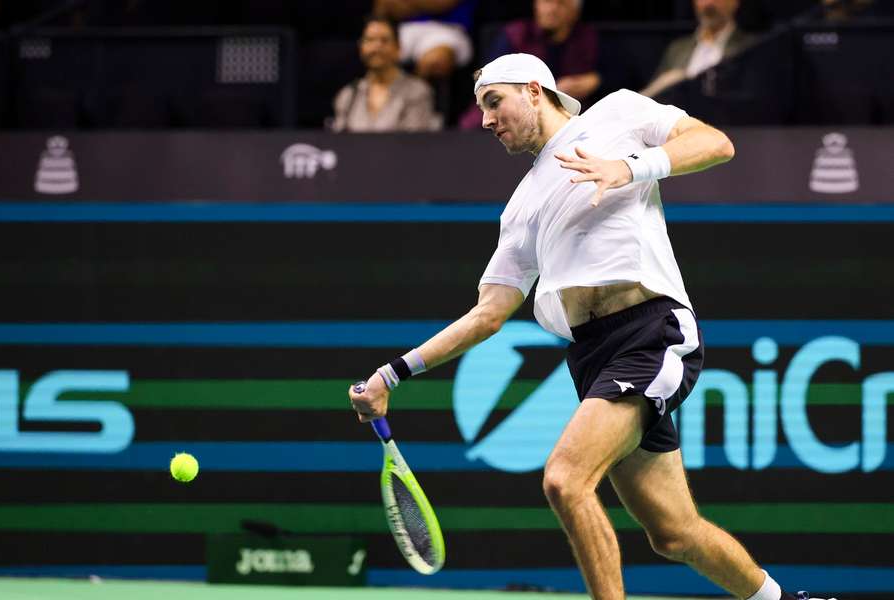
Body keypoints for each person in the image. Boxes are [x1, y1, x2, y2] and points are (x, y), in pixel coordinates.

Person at [349, 53, 836, 600]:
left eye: (494, 102)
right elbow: (489, 313)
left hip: (652, 330)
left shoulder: (618, 114)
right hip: (592, 354)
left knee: (565, 479)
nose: (485, 120)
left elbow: (716, 144)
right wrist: (392, 374)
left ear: (535, 91)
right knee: (674, 534)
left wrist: (631, 166)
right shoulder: (520, 207)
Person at [459, 0, 599, 129]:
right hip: (511, 111)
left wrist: (595, 81)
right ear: (536, 5)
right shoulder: (515, 35)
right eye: (546, 1)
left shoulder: (588, 38)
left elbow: (612, 75)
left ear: (575, 11)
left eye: (561, 3)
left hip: (568, 117)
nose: (552, 9)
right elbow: (486, 80)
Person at [330, 16, 441, 132]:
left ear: (398, 48)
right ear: (361, 48)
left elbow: (416, 142)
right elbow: (340, 142)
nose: (377, 47)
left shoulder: (417, 91)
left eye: (384, 40)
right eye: (370, 40)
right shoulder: (348, 95)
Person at [641, 0, 756, 98]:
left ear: (734, 2)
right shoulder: (678, 49)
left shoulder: (750, 47)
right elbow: (650, 99)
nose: (709, 4)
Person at [373, 0, 476, 79]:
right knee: (377, 52)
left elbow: (442, 3)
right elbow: (384, 5)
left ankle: (416, 101)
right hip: (404, 27)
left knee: (435, 61)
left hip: (448, 29)